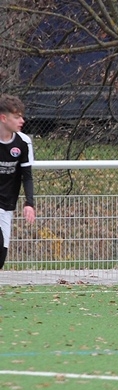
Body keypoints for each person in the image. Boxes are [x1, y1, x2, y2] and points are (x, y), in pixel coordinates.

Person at [0, 94, 36, 270]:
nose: (22, 121)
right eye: (17, 117)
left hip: (7, 205)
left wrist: (29, 203)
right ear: (3, 118)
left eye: (22, 116)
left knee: (1, 256)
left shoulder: (23, 142)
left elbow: (27, 176)